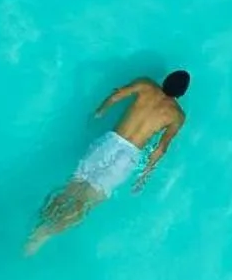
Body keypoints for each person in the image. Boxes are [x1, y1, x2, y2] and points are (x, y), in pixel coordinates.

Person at [25, 71, 190, 253]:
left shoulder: (146, 85)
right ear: (182, 94)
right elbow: (161, 148)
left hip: (110, 142)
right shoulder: (177, 116)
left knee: (72, 187)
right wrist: (145, 174)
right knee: (86, 203)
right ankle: (44, 235)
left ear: (165, 80)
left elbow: (116, 96)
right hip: (129, 156)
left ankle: (38, 224)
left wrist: (98, 113)